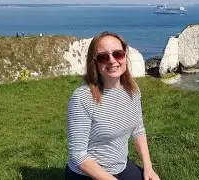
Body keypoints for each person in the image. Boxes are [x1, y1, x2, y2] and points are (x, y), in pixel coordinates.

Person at [65, 31, 160, 180]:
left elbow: (138, 130)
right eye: (103, 57)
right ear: (94, 62)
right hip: (87, 174)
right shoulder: (82, 98)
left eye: (118, 54)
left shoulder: (132, 91)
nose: (112, 60)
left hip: (120, 166)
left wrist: (148, 168)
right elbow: (78, 156)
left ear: (125, 56)